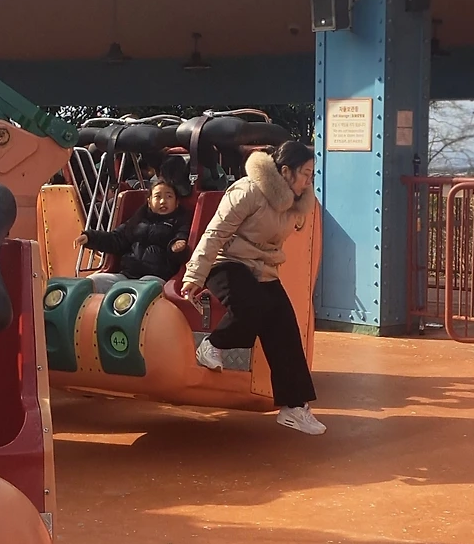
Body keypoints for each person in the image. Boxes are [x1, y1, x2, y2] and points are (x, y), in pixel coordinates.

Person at [182, 139, 324, 435]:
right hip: (225, 262)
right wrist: (194, 275)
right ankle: (212, 345)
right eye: (306, 174)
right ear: (285, 172)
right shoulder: (247, 190)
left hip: (262, 269)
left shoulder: (296, 202)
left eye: (312, 175)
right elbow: (215, 234)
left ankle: (294, 407)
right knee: (253, 306)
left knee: (285, 326)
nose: (309, 181)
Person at [80, 176, 191, 281]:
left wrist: (177, 249)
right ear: (149, 201)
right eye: (158, 196)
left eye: (169, 196)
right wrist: (90, 237)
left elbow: (182, 248)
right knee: (93, 281)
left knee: (143, 286)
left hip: (155, 278)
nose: (163, 201)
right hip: (128, 275)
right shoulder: (138, 219)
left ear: (177, 203)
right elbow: (116, 239)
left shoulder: (180, 222)